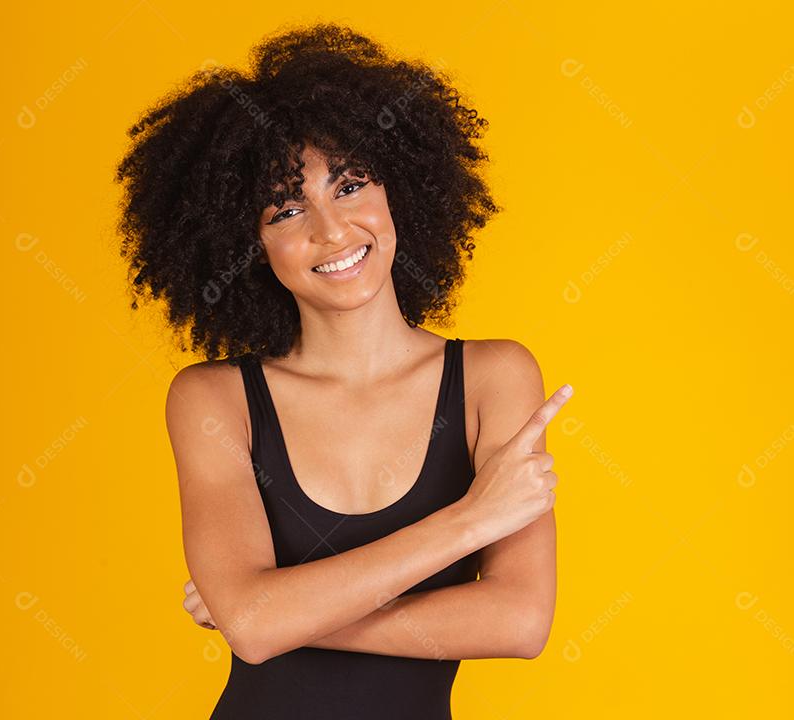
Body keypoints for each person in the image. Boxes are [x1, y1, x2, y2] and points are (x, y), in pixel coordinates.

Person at [114, 22, 571, 719]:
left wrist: (278, 613)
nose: (331, 231)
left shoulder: (493, 378)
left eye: (351, 185)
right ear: (249, 243)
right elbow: (257, 625)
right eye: (288, 209)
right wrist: (469, 522)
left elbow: (518, 621)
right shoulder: (215, 399)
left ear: (399, 192)